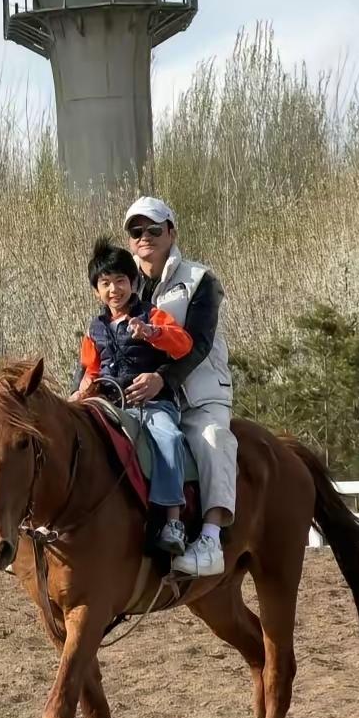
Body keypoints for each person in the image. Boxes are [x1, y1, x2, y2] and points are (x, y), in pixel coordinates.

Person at [122, 196, 236, 578]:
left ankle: (210, 538)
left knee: (213, 439)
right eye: (136, 231)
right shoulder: (122, 283)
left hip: (198, 395)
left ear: (171, 232)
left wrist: (163, 379)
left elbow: (199, 342)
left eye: (154, 229)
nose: (144, 238)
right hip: (140, 398)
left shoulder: (201, 279)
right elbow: (100, 336)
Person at [76, 238, 193, 557]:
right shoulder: (93, 329)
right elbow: (90, 369)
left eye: (120, 281)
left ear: (133, 282)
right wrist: (79, 393)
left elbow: (183, 344)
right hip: (110, 405)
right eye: (105, 283)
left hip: (152, 404)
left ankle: (172, 522)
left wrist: (153, 334)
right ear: (96, 290)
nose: (114, 289)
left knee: (168, 439)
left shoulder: (151, 314)